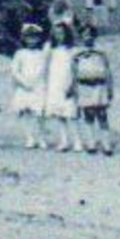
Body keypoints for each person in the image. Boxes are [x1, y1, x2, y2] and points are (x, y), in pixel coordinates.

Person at [73, 25, 115, 156]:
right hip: (85, 87)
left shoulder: (101, 52)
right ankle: (91, 143)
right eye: (85, 35)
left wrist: (110, 87)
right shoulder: (77, 53)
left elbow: (108, 70)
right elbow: (73, 72)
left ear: (95, 36)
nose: (88, 37)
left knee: (102, 115)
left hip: (99, 86)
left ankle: (106, 144)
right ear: (81, 37)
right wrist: (75, 89)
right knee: (88, 114)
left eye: (91, 34)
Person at [9, 23, 50, 149]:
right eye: (28, 38)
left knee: (39, 113)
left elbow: (44, 69)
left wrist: (36, 81)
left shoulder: (41, 54)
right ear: (24, 39)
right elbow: (15, 70)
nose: (31, 41)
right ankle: (29, 137)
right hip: (24, 87)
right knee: (26, 112)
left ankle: (41, 137)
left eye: (34, 37)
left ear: (39, 39)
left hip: (38, 86)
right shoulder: (20, 53)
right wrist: (24, 82)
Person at [44, 22, 81, 152]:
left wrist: (73, 84)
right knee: (58, 114)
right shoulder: (50, 48)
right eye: (56, 33)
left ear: (67, 34)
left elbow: (76, 69)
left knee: (71, 113)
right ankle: (64, 141)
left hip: (67, 81)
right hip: (54, 83)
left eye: (62, 33)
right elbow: (46, 66)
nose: (59, 36)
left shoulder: (72, 50)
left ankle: (77, 141)